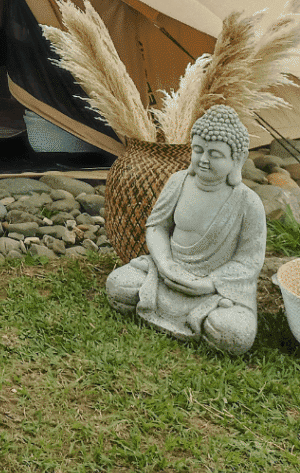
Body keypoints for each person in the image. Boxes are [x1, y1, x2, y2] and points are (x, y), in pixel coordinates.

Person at [105, 104, 266, 355]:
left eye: (215, 154)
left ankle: (200, 316)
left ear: (237, 159)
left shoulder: (248, 202)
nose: (203, 159)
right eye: (198, 150)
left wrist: (210, 283)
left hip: (214, 291)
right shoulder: (179, 181)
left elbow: (249, 261)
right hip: (165, 275)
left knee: (235, 333)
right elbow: (157, 226)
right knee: (118, 284)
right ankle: (169, 304)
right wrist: (166, 263)